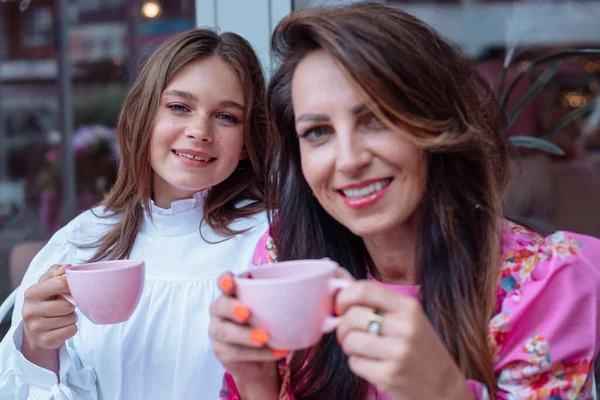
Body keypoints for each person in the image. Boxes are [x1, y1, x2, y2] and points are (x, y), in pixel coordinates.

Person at [210, 4, 600, 399]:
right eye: (318, 132)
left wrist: (443, 391)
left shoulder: (542, 285)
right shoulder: (285, 261)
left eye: (376, 119)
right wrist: (256, 380)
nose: (348, 160)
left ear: (438, 126)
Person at [0, 28, 271, 399]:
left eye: (226, 117)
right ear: (142, 116)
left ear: (245, 143)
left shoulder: (271, 241)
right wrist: (38, 345)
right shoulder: (81, 241)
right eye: (179, 107)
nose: (199, 131)